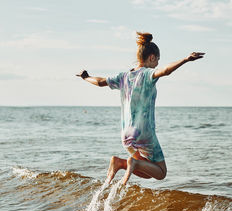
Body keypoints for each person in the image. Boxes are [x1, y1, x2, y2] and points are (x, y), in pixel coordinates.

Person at [76, 32, 204, 185]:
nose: (157, 64)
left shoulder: (123, 76)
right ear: (151, 57)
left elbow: (100, 82)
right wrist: (185, 59)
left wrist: (85, 77)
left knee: (148, 171)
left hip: (126, 136)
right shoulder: (148, 74)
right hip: (144, 134)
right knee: (161, 173)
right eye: (157, 60)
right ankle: (132, 163)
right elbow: (165, 71)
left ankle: (120, 163)